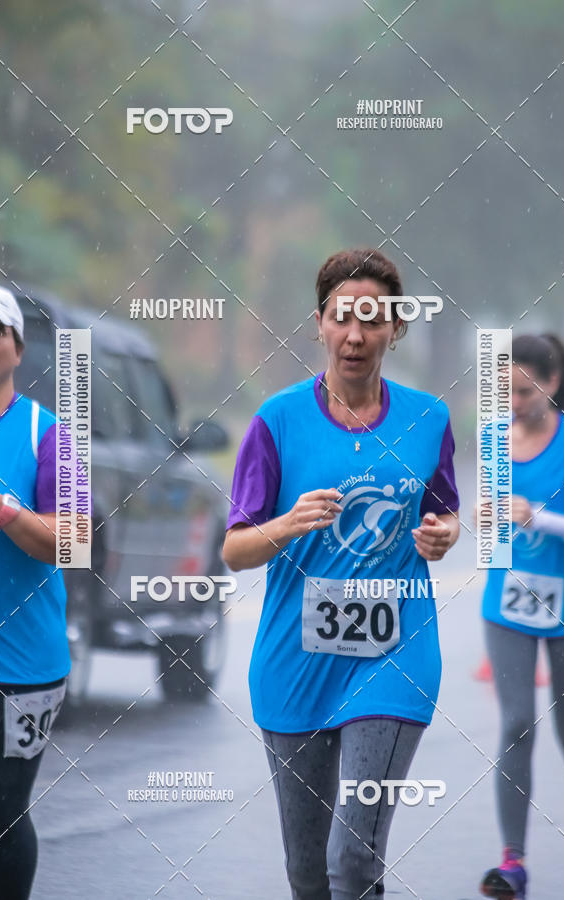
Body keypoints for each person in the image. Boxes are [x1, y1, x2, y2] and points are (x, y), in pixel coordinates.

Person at [222, 249, 460, 899]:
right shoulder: (276, 421)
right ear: (319, 324)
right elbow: (235, 551)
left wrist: (444, 534)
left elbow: (444, 511)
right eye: (341, 318)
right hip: (294, 660)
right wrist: (287, 523)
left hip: (395, 654)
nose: (355, 336)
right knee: (308, 874)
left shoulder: (428, 420)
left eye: (372, 320)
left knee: (352, 858)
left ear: (396, 327)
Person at [479, 334, 564, 900]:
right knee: (517, 723)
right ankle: (512, 862)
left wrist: (539, 517)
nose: (513, 403)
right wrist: (484, 522)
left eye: (523, 392)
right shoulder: (494, 440)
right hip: (508, 607)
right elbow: (495, 535)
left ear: (551, 383)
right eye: (505, 392)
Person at [0, 281, 71, 899]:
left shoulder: (51, 434)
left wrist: (0, 508)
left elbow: (74, 541)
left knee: (0, 814)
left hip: (22, 668)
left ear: (17, 348)